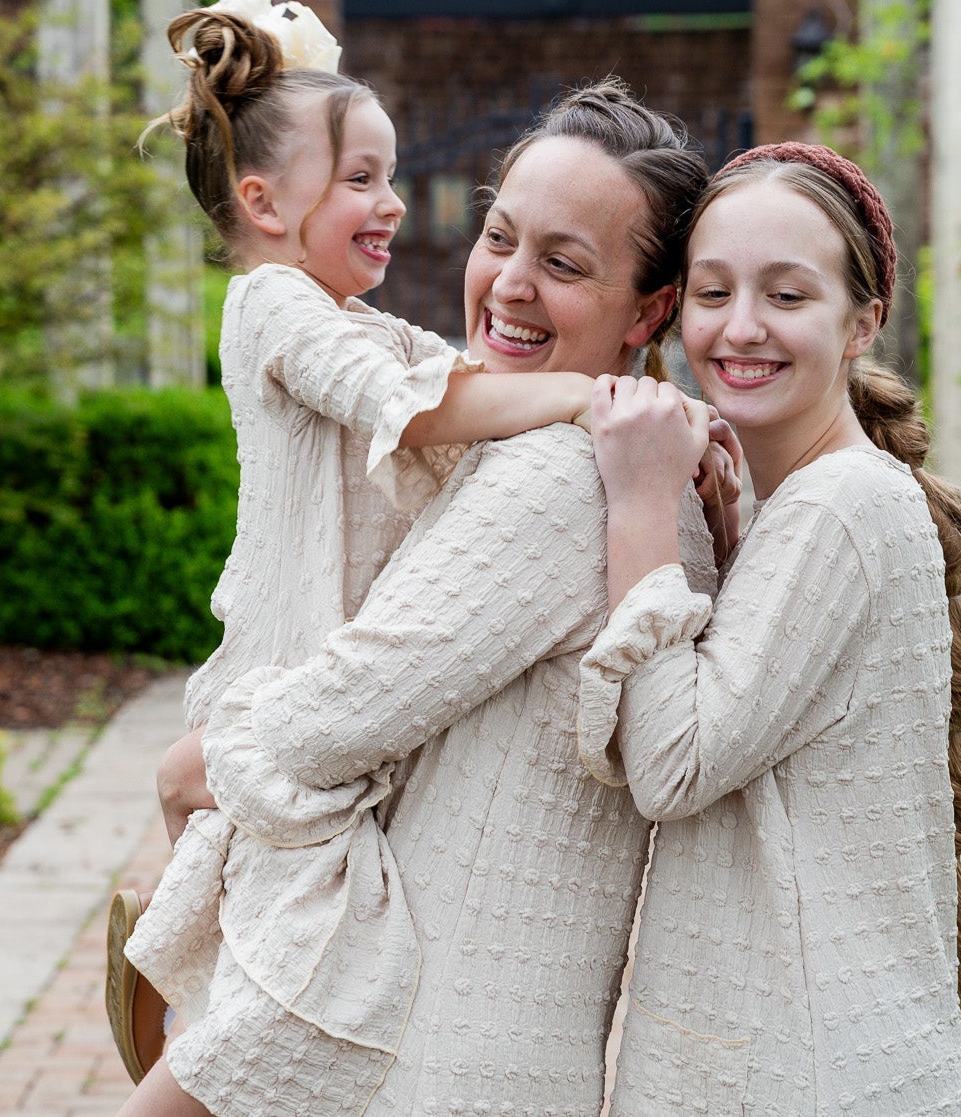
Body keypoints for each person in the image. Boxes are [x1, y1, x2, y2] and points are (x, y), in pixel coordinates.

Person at [173, 82, 728, 1114]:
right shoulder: (618, 465)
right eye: (499, 237)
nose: (507, 285)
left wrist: (196, 760)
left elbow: (326, 723)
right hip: (458, 1047)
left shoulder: (564, 478)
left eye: (560, 264)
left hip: (425, 1056)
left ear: (649, 310)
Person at [105, 0, 612, 1117]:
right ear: (263, 202)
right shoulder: (274, 307)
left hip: (306, 681)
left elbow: (449, 377)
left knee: (266, 949)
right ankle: (165, 977)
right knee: (282, 987)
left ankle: (168, 961)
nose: (391, 204)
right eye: (360, 179)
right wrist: (582, 389)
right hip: (281, 671)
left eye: (385, 176)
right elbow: (418, 407)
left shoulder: (339, 312)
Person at [579, 142, 961, 1115]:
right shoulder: (803, 504)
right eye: (713, 290)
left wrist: (637, 504)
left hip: (799, 1075)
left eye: (785, 296)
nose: (738, 328)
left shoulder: (838, 507)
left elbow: (670, 765)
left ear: (862, 323)